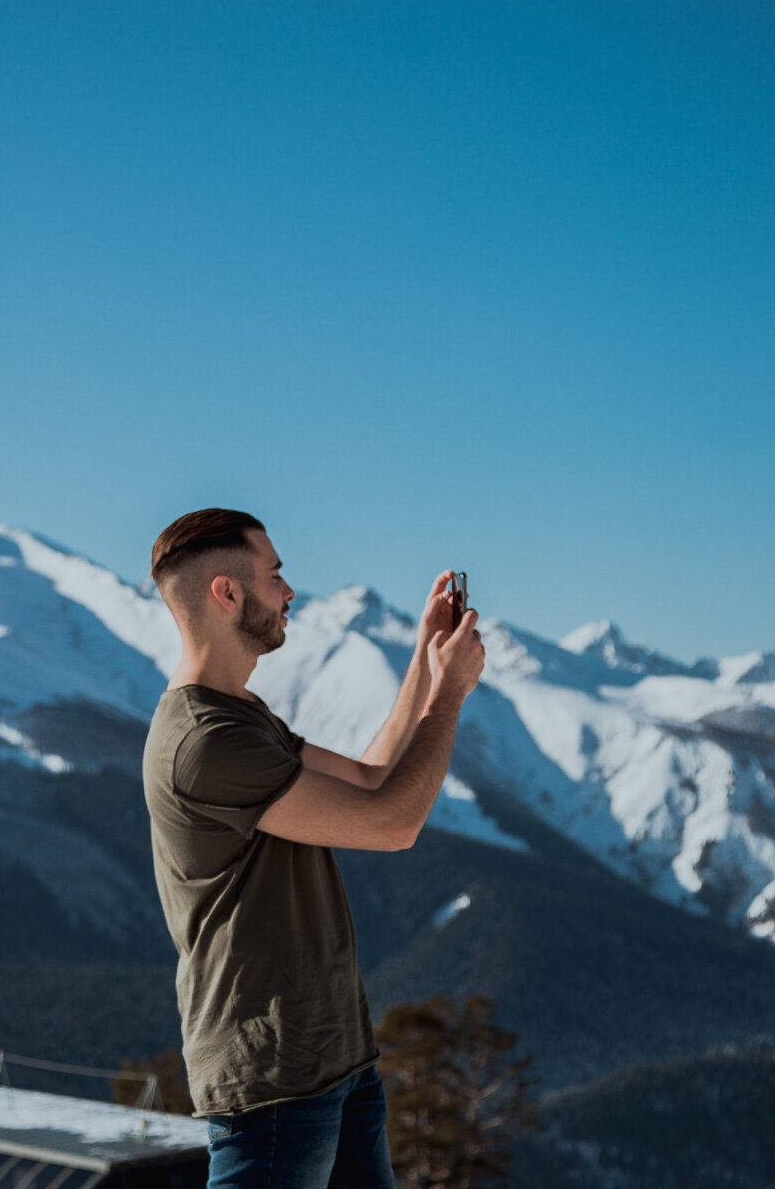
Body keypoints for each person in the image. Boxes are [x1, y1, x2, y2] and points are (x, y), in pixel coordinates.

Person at [143, 508, 485, 1188]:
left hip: (335, 1058)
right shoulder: (204, 742)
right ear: (226, 592)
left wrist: (423, 662)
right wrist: (447, 697)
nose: (290, 591)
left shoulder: (243, 716)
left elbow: (369, 779)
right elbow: (393, 823)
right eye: (274, 576)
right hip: (274, 1079)